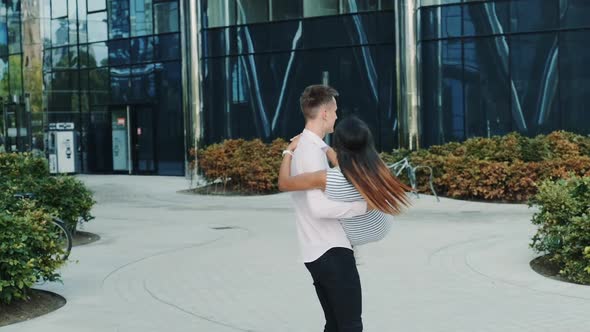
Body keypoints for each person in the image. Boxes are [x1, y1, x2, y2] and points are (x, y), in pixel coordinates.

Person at [279, 114, 410, 332]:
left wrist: (289, 151)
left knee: (339, 324)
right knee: (346, 325)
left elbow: (284, 183)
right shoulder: (376, 171)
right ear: (368, 143)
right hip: (357, 241)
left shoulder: (328, 178)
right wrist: (320, 145)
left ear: (339, 146)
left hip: (323, 253)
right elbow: (342, 162)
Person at [282, 85, 371, 332]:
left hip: (318, 250)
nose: (336, 116)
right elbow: (319, 207)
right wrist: (362, 207)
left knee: (335, 325)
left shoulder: (310, 146)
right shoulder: (310, 150)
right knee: (351, 326)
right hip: (330, 250)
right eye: (334, 111)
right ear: (324, 113)